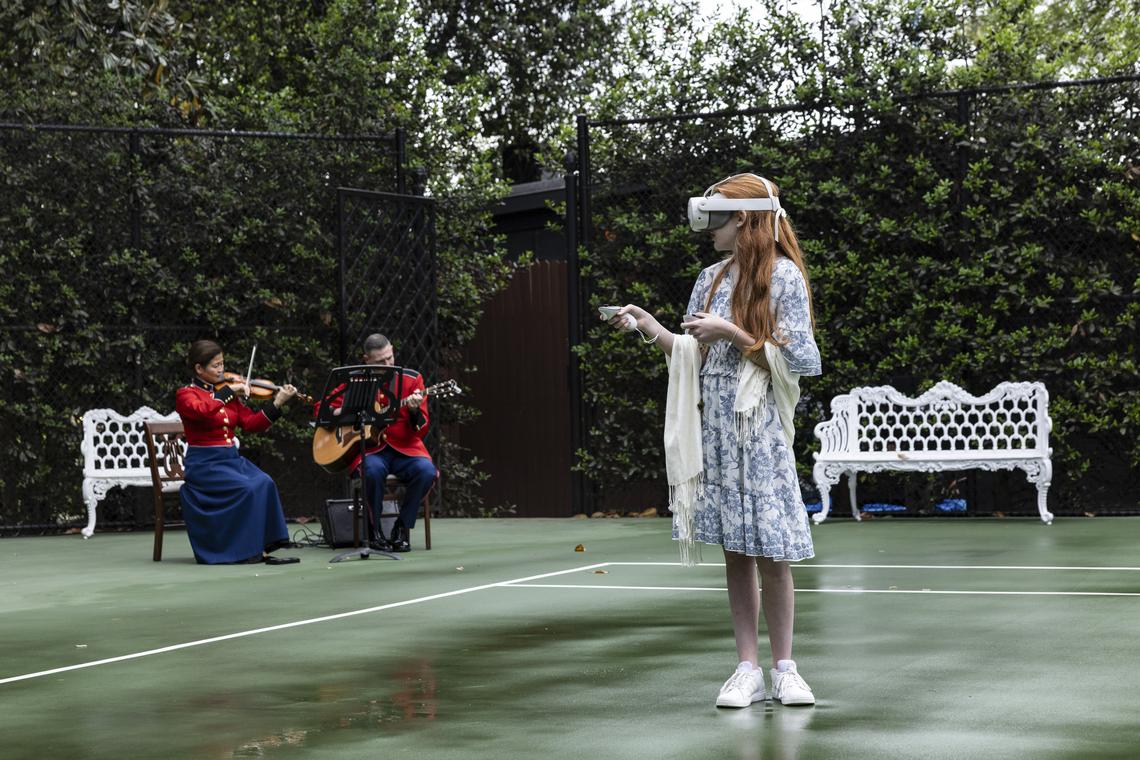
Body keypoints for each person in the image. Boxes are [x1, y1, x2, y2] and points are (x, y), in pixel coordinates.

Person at [605, 173, 821, 709]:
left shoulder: (784, 277)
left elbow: (803, 360)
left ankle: (786, 669)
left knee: (772, 550)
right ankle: (746, 667)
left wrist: (732, 332)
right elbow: (691, 353)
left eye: (717, 219)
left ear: (744, 221)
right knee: (735, 550)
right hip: (718, 426)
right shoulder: (709, 278)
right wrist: (645, 324)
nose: (709, 229)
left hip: (760, 423)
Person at [175, 340, 301, 565]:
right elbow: (201, 411)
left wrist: (277, 403)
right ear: (198, 369)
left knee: (265, 481)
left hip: (230, 460)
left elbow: (252, 423)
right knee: (247, 488)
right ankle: (244, 551)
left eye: (222, 364)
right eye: (216, 366)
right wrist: (226, 392)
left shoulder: (226, 394)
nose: (222, 370)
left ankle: (263, 546)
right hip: (205, 465)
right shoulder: (186, 395)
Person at [316, 334, 437, 552]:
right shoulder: (356, 381)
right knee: (371, 471)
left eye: (390, 358)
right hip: (371, 450)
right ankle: (374, 532)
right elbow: (321, 409)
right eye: (381, 362)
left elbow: (423, 427)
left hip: (405, 449)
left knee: (427, 471)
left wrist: (413, 409)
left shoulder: (412, 380)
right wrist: (340, 411)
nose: (389, 364)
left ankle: (401, 528)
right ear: (366, 360)